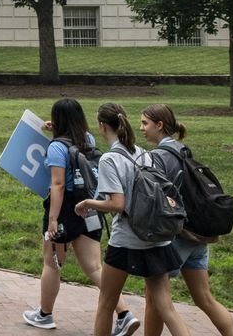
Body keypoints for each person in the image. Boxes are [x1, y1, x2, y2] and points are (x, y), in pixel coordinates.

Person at [74, 103, 181, 336]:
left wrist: (87, 203)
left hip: (126, 239)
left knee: (106, 303)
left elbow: (117, 204)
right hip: (155, 236)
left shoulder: (109, 160)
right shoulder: (143, 153)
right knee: (166, 307)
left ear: (102, 127)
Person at [140, 105, 233, 336]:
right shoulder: (182, 150)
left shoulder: (158, 157)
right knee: (205, 299)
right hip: (197, 235)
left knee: (155, 300)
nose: (141, 128)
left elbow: (155, 199)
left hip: (174, 237)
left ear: (159, 125)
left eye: (145, 123)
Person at [24, 98, 110, 330]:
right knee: (94, 267)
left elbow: (58, 184)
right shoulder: (89, 139)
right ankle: (123, 314)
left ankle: (45, 314)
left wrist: (52, 219)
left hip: (65, 210)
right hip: (90, 207)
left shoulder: (56, 147)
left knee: (52, 264)